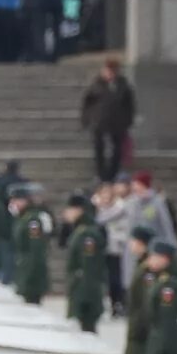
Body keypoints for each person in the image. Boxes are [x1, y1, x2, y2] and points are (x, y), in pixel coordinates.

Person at [79, 56, 134, 184]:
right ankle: (101, 174)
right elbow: (87, 103)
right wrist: (86, 120)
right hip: (99, 121)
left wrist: (127, 121)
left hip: (117, 122)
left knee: (117, 148)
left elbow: (129, 105)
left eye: (111, 71)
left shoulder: (122, 85)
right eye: (107, 71)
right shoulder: (96, 84)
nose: (109, 74)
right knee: (99, 147)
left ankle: (113, 172)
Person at [60, 196, 107, 333]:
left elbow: (89, 267)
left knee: (87, 331)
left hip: (85, 293)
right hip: (79, 289)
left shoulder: (87, 234)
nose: (66, 213)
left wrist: (85, 299)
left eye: (69, 209)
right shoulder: (80, 231)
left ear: (78, 210)